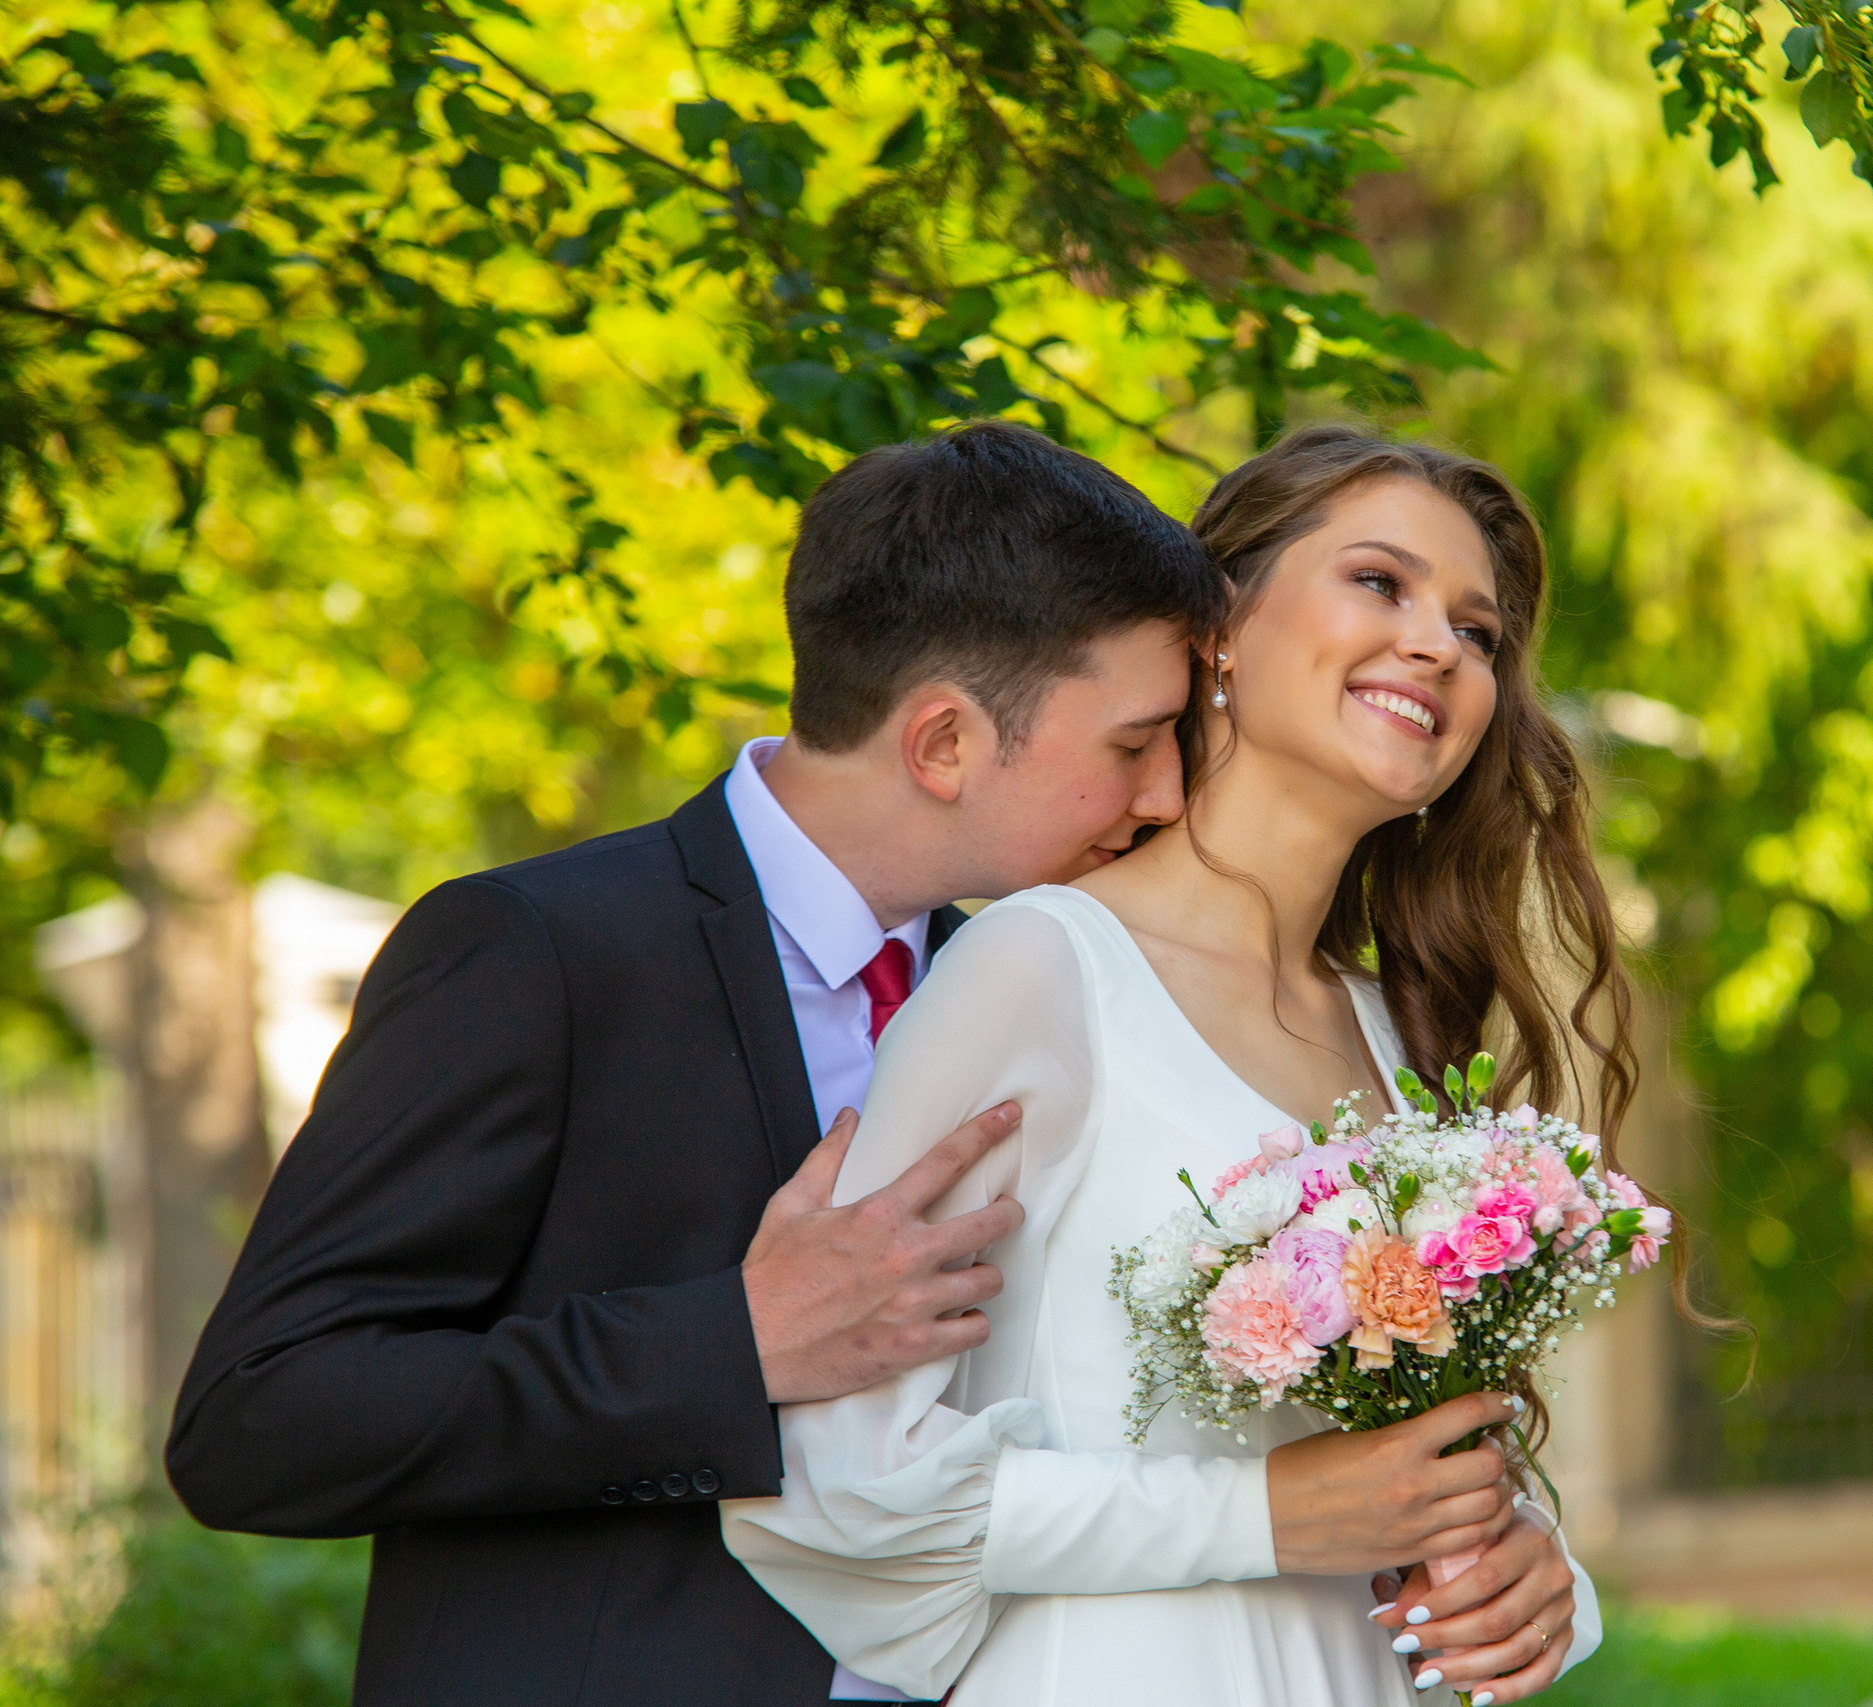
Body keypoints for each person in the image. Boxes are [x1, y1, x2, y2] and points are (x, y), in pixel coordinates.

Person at [167, 421, 1577, 1705]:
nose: (1165, 791)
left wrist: (1520, 1555)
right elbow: (259, 1414)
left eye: (1477, 626)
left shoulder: (1051, 969)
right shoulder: (542, 954)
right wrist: (730, 1342)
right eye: (1138, 744)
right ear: (946, 741)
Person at [724, 425, 1636, 1705]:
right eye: (1380, 583)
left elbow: (1400, 1464)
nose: (1439, 643)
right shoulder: (1035, 971)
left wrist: (1538, 1572)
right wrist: (1255, 1519)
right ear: (1221, 630)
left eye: (1478, 633)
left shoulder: (1393, 1035)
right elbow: (839, 1491)